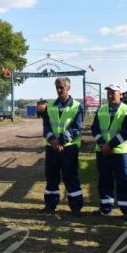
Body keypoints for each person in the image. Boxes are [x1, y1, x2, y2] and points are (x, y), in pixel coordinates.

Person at [90, 84, 127, 220]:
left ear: (120, 94)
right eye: (109, 93)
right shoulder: (101, 110)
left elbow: (126, 131)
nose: (110, 95)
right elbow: (95, 129)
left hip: (121, 152)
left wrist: (110, 145)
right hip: (103, 151)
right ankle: (106, 208)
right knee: (104, 180)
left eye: (113, 93)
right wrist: (102, 144)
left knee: (124, 180)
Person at [41, 76, 84, 216]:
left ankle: (76, 207)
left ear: (68, 88)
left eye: (62, 87)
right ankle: (50, 205)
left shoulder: (77, 106)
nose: (59, 90)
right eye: (57, 87)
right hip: (52, 147)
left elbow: (76, 129)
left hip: (69, 148)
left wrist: (60, 141)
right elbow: (46, 126)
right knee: (51, 177)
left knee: (71, 177)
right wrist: (53, 140)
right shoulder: (50, 106)